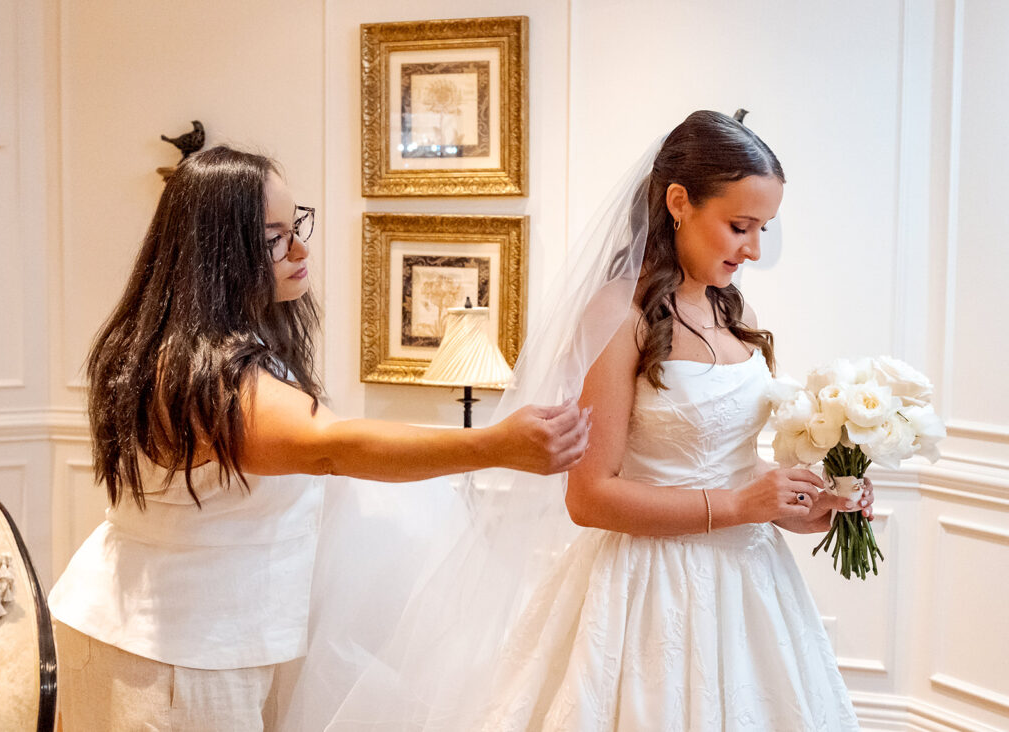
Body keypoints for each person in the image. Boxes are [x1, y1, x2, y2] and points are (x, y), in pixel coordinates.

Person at [300, 111, 874, 730]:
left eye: (763, 228)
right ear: (678, 202)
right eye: (740, 226)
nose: (754, 249)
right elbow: (590, 496)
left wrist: (804, 501)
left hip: (752, 590)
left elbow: (724, 463)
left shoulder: (734, 309)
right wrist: (739, 506)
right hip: (653, 593)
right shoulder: (617, 315)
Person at [46, 146, 589, 732]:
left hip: (162, 634)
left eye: (295, 224)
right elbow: (329, 446)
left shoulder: (196, 347)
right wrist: (494, 446)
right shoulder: (204, 372)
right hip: (174, 651)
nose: (300, 249)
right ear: (221, 254)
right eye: (275, 238)